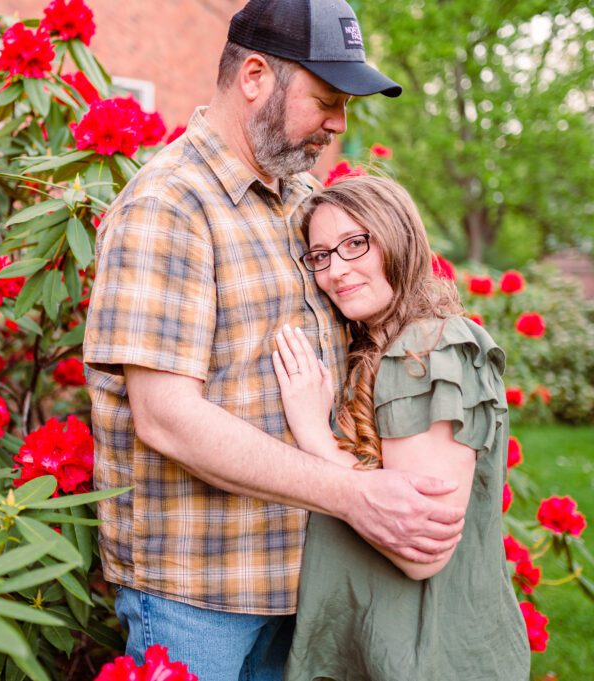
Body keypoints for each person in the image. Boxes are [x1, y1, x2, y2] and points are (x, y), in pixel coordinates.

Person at [83, 1, 468, 678]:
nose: (339, 124)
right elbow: (166, 416)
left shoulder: (302, 199)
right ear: (255, 76)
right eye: (326, 100)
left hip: (297, 578)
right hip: (197, 595)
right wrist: (353, 493)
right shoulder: (168, 206)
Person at [271, 175, 530, 680]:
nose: (335, 271)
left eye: (354, 244)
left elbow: (421, 551)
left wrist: (313, 434)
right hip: (394, 648)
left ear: (398, 237)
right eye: (320, 255)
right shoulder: (388, 349)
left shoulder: (427, 350)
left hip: (432, 655)